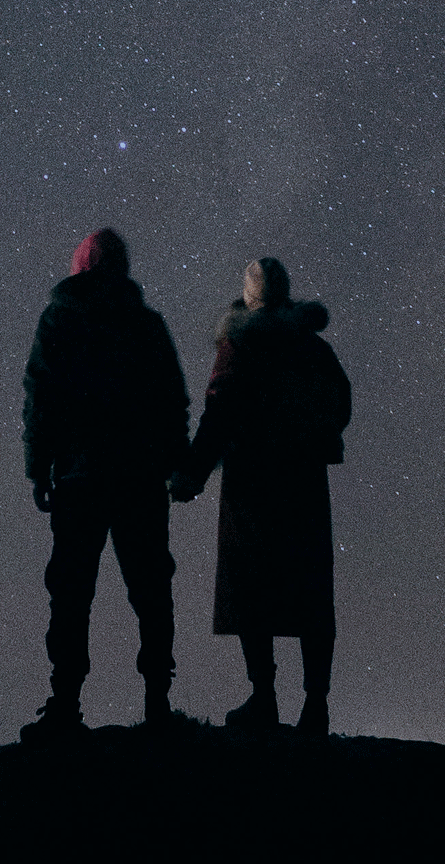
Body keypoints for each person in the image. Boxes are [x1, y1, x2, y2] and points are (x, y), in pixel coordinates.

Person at [19, 228, 191, 742]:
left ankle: (66, 704)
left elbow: (40, 398)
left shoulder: (59, 320)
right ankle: (158, 703)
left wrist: (37, 466)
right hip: (138, 476)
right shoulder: (146, 324)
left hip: (78, 474)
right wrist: (175, 463)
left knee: (71, 592)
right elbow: (172, 400)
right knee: (151, 588)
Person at [169, 257, 352, 736]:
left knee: (252, 589)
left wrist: (191, 473)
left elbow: (219, 412)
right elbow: (340, 402)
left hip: (251, 485)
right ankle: (316, 706)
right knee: (310, 592)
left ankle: (264, 698)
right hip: (304, 485)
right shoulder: (312, 348)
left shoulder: (239, 346)